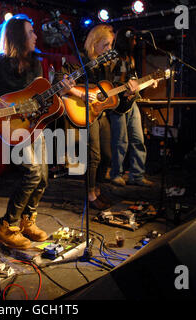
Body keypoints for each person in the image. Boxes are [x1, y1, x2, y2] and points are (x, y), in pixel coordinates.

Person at [0, 14, 74, 249]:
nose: (35, 36)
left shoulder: (35, 62)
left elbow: (40, 97)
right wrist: (9, 107)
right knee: (32, 173)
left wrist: (60, 91)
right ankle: (8, 226)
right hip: (13, 126)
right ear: (18, 36)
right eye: (30, 32)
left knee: (43, 177)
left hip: (36, 127)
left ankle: (27, 221)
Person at [57, 24, 121, 210]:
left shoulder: (104, 65)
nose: (109, 49)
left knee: (108, 156)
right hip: (84, 112)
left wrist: (129, 91)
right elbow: (59, 81)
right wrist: (81, 94)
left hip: (99, 113)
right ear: (95, 42)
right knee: (94, 155)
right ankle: (90, 194)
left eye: (110, 45)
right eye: (106, 45)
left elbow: (108, 89)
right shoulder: (78, 61)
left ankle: (98, 189)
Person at [109, 27, 154, 187]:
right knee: (120, 141)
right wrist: (124, 91)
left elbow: (132, 80)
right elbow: (110, 82)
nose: (135, 42)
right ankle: (116, 174)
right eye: (133, 39)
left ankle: (137, 175)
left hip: (131, 102)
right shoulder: (113, 57)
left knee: (137, 139)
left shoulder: (130, 58)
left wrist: (147, 82)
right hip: (118, 104)